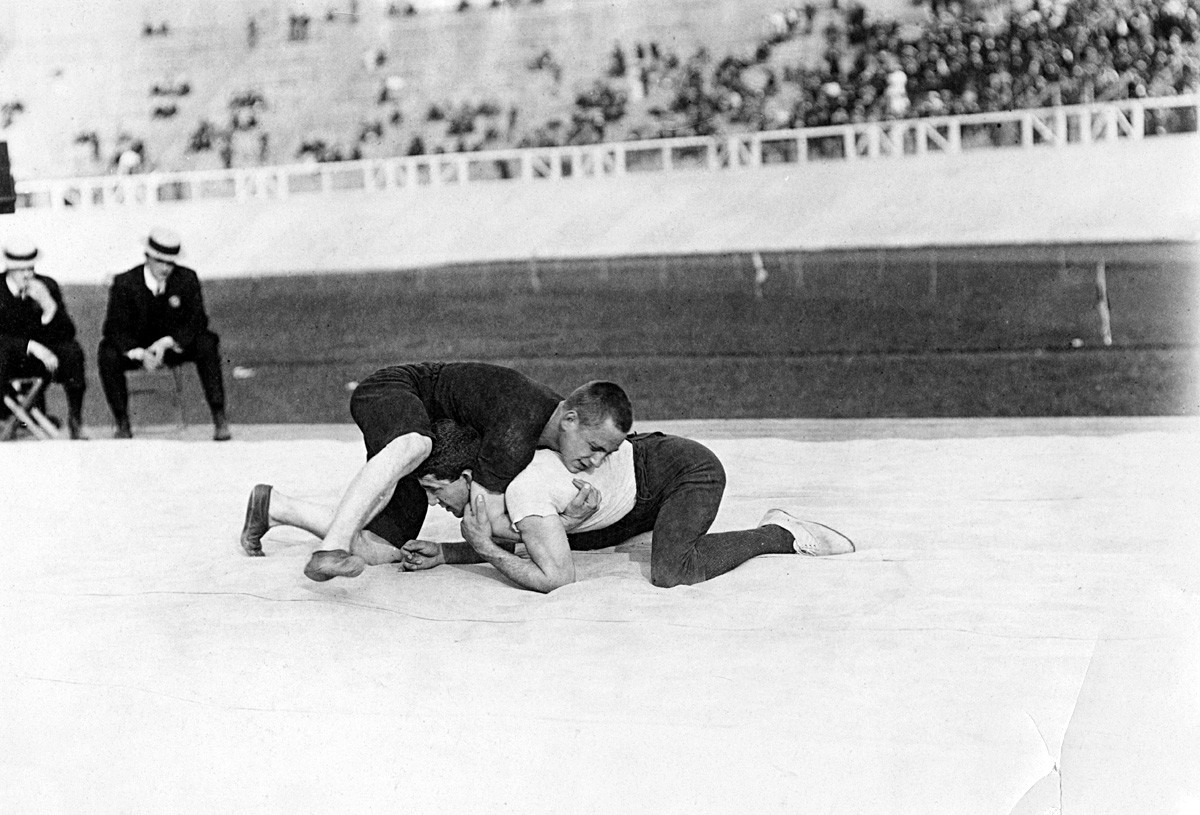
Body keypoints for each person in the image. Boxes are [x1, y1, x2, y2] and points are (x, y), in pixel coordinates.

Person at [238, 363, 631, 581]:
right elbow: (483, 524)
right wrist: (563, 522)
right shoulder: (517, 428)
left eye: (606, 454)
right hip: (395, 390)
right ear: (570, 419)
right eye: (595, 448)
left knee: (382, 549)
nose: (596, 461)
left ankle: (275, 507)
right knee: (415, 444)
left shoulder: (538, 428)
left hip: (430, 437)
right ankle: (330, 549)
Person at [400, 421, 855, 591]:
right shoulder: (496, 493)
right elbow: (528, 539)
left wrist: (487, 550)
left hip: (682, 470)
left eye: (434, 489)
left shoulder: (519, 492)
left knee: (673, 572)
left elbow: (555, 578)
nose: (435, 503)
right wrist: (447, 552)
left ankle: (779, 534)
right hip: (633, 501)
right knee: (577, 539)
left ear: (463, 478)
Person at [98, 228, 231, 440]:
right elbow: (114, 328)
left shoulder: (186, 279)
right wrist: (140, 354)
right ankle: (122, 421)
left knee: (207, 342)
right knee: (107, 353)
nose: (165, 268)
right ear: (147, 257)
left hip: (171, 347)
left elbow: (197, 321)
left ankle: (219, 416)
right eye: (160, 261)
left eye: (170, 263)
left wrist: (167, 343)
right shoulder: (125, 282)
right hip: (139, 349)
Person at [0, 241, 88, 439]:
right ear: (8, 269)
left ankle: (75, 419)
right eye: (20, 270)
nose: (27, 275)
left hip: (40, 362)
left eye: (30, 268)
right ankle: (13, 415)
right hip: (5, 363)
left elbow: (67, 332)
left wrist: (49, 308)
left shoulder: (46, 285)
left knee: (71, 350)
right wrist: (30, 346)